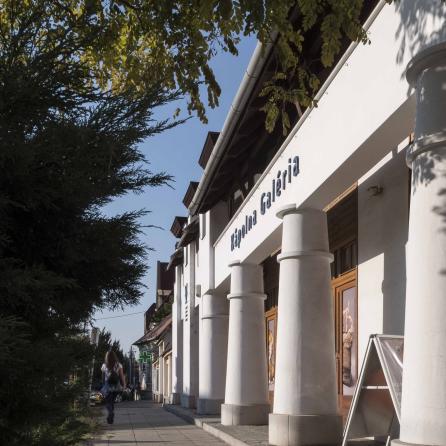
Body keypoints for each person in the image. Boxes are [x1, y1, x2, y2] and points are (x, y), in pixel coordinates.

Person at [101, 350, 125, 424]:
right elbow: (121, 376)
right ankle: (111, 417)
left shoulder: (104, 365)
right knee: (112, 402)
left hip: (108, 385)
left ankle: (110, 413)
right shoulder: (119, 365)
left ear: (106, 357)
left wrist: (103, 386)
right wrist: (124, 385)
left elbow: (103, 377)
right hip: (116, 386)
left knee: (108, 402)